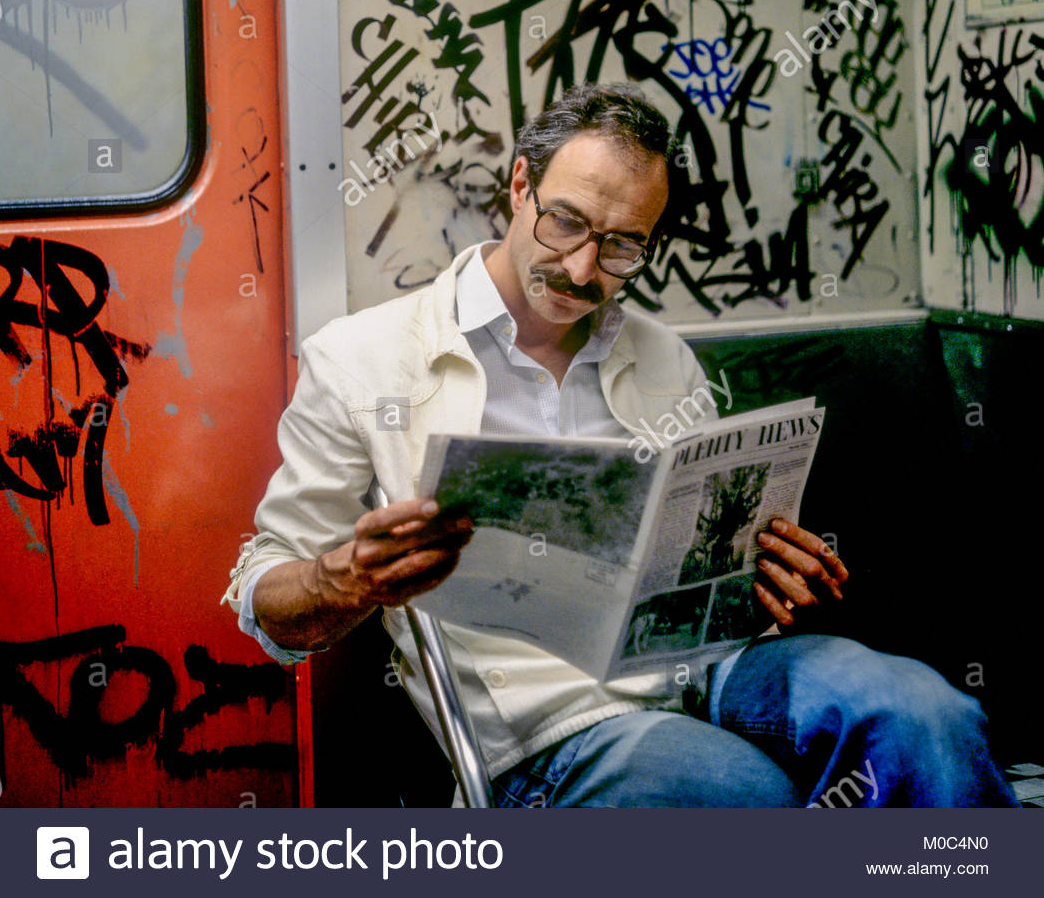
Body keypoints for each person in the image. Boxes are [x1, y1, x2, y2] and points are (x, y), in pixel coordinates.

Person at [223, 83, 1015, 807]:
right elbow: (265, 600)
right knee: (743, 795)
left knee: (925, 713)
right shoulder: (362, 359)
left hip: (711, 673)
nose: (580, 268)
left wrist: (758, 570)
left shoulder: (662, 356)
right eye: (565, 222)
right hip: (552, 724)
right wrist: (345, 578)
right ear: (520, 186)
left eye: (620, 246)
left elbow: (704, 562)